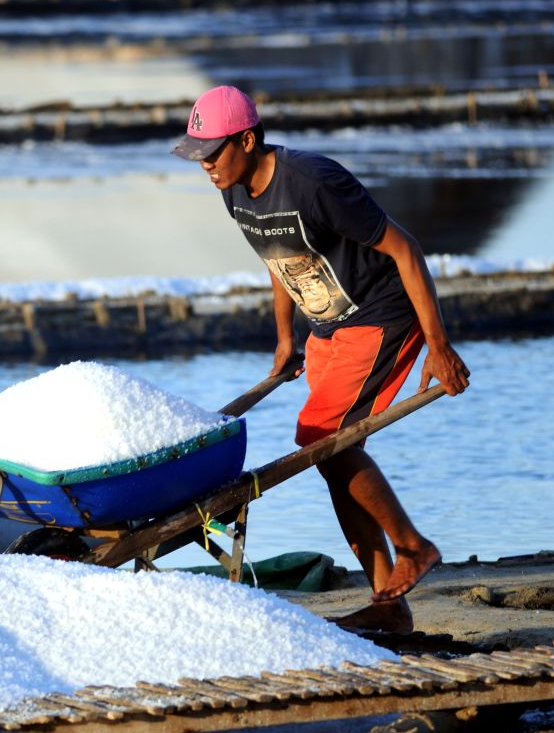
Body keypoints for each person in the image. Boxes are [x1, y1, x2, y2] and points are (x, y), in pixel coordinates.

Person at [173, 85, 470, 633]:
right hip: (328, 327)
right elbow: (278, 256)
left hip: (379, 316)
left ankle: (413, 547)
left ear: (246, 138)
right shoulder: (234, 190)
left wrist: (439, 345)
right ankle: (389, 605)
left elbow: (405, 248)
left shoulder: (313, 182)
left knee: (322, 442)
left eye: (213, 153)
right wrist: (285, 339)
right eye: (199, 156)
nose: (207, 166)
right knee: (328, 455)